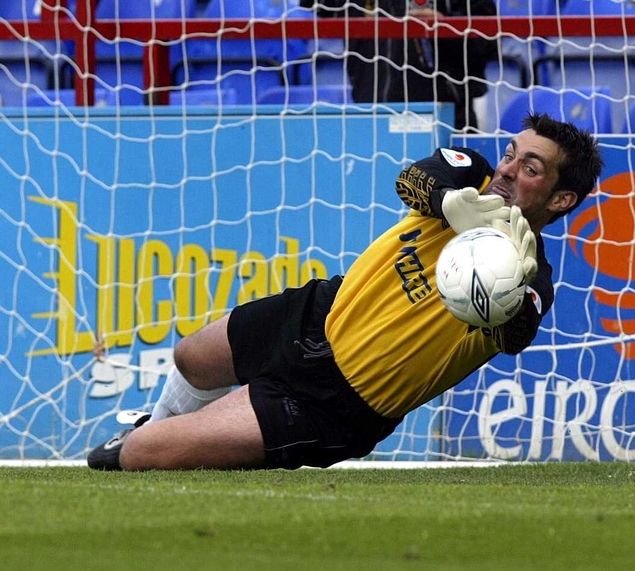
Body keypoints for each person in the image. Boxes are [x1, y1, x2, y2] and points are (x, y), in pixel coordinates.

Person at [87, 113, 603, 471]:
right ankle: (177, 427)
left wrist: (500, 294)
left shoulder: (529, 276)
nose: (508, 169)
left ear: (560, 198)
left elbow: (516, 335)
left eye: (529, 168)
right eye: (512, 153)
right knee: (190, 357)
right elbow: (411, 180)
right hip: (318, 312)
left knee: (141, 456)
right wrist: (452, 206)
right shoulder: (472, 172)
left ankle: (186, 439)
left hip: (337, 401)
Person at [298, 0, 497, 131]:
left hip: (445, 118)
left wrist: (445, 26)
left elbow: (487, 43)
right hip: (372, 112)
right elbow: (313, 5)